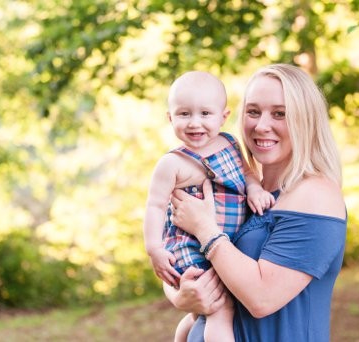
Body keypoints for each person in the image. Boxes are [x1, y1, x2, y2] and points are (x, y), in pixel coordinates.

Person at [166, 64, 346, 341]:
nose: (261, 126)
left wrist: (204, 227)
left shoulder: (316, 195)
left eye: (279, 114)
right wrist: (182, 296)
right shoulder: (245, 193)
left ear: (305, 120)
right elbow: (179, 248)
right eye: (253, 112)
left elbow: (262, 297)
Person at [143, 71, 274, 342]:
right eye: (184, 114)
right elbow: (155, 206)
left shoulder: (229, 143)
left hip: (222, 239)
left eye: (205, 113)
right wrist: (154, 249)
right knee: (220, 309)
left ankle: (184, 336)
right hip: (192, 245)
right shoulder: (172, 163)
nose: (195, 123)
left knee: (200, 314)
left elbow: (248, 173)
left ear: (223, 117)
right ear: (170, 117)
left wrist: (255, 188)